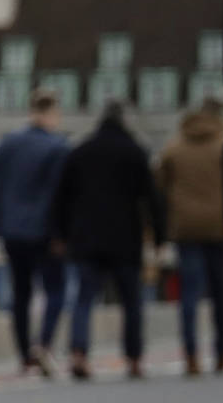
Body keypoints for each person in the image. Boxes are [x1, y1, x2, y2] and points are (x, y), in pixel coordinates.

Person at [53, 102, 164, 380]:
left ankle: (79, 353)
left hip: (86, 237)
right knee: (131, 301)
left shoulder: (80, 151)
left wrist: (60, 235)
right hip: (125, 237)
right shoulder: (134, 152)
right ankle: (134, 358)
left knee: (84, 298)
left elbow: (61, 198)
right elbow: (152, 199)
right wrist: (160, 237)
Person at [0, 89, 72, 376]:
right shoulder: (58, 147)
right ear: (53, 113)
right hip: (45, 230)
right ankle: (43, 344)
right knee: (55, 289)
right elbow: (61, 195)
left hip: (12, 230)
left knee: (20, 292)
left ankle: (23, 354)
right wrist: (62, 233)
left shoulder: (8, 144)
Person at [156, 97, 223, 376]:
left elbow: (159, 187)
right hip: (221, 227)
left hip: (186, 228)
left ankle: (190, 355)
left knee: (189, 292)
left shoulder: (174, 148)